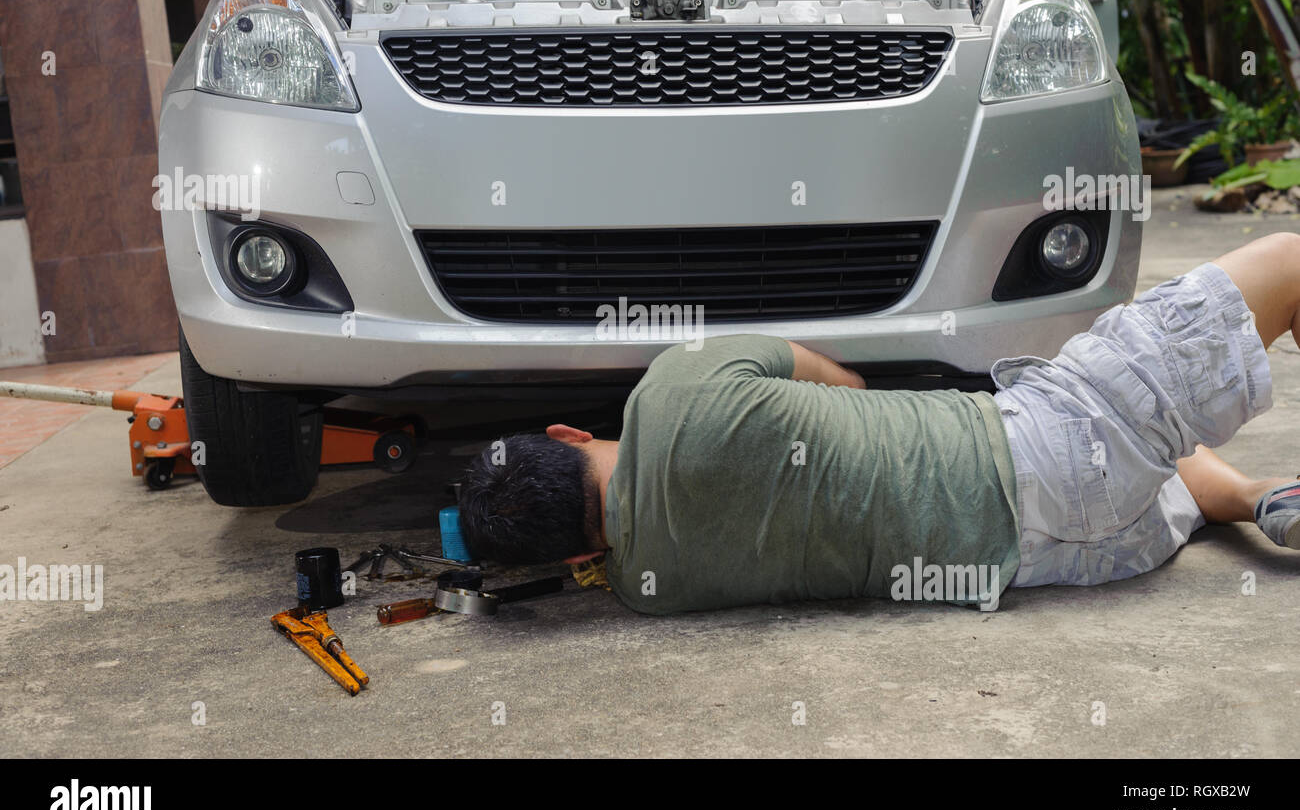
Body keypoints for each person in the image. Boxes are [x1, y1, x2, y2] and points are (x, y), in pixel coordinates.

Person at [458, 234, 1300, 615]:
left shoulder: (651, 589)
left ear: (575, 557)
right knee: (1289, 262)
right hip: (1043, 444)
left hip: (1066, 560)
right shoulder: (675, 387)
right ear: (568, 435)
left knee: (1152, 467)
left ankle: (1259, 493)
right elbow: (839, 377)